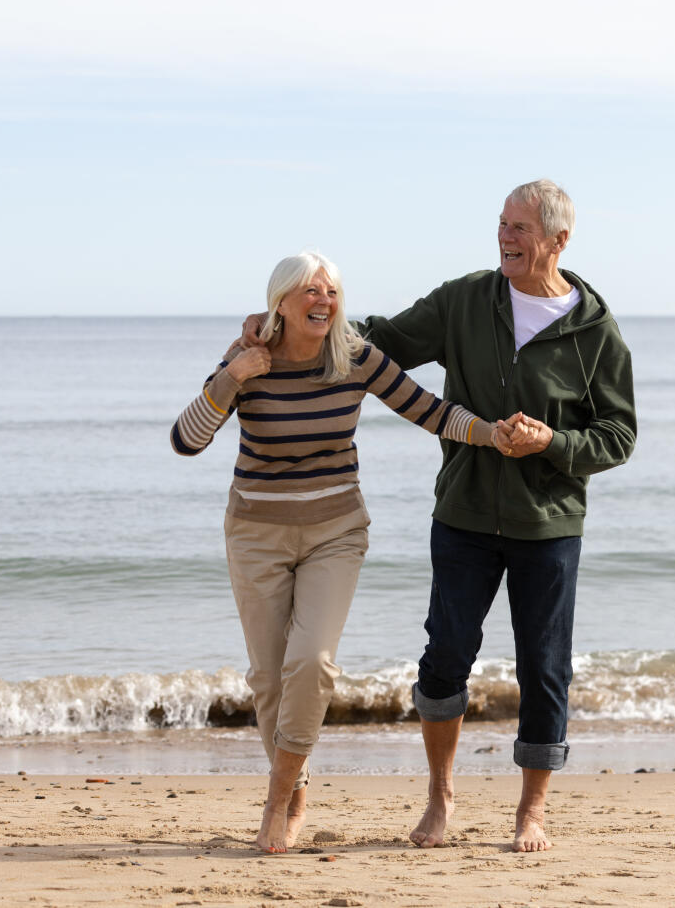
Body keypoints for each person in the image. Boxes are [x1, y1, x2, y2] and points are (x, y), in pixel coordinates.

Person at [242, 180, 637, 852]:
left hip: (549, 525)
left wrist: (553, 443)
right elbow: (376, 340)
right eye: (502, 225)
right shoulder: (465, 301)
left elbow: (617, 435)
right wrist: (284, 325)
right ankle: (440, 797)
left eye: (520, 229)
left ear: (557, 241)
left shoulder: (594, 329)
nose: (506, 238)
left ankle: (531, 812)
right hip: (464, 515)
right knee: (444, 659)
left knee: (544, 668)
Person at [172, 251, 502, 854]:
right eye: (309, 291)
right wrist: (231, 376)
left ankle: (275, 799)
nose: (322, 299)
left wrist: (492, 434)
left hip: (335, 530)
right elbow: (185, 441)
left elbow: (427, 409)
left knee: (312, 663)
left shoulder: (354, 357)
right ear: (280, 302)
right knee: (269, 679)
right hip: (255, 532)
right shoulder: (249, 359)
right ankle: (295, 788)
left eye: (330, 290)